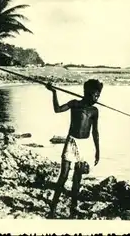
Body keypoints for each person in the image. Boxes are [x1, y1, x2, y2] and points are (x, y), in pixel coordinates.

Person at [46, 79, 103, 219]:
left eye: (98, 96)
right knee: (63, 176)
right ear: (86, 93)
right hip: (71, 142)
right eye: (94, 95)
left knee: (77, 179)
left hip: (85, 145)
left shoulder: (94, 111)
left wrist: (97, 151)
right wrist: (54, 92)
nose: (96, 98)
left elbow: (95, 132)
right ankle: (52, 209)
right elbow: (57, 109)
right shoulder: (75, 104)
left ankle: (73, 208)